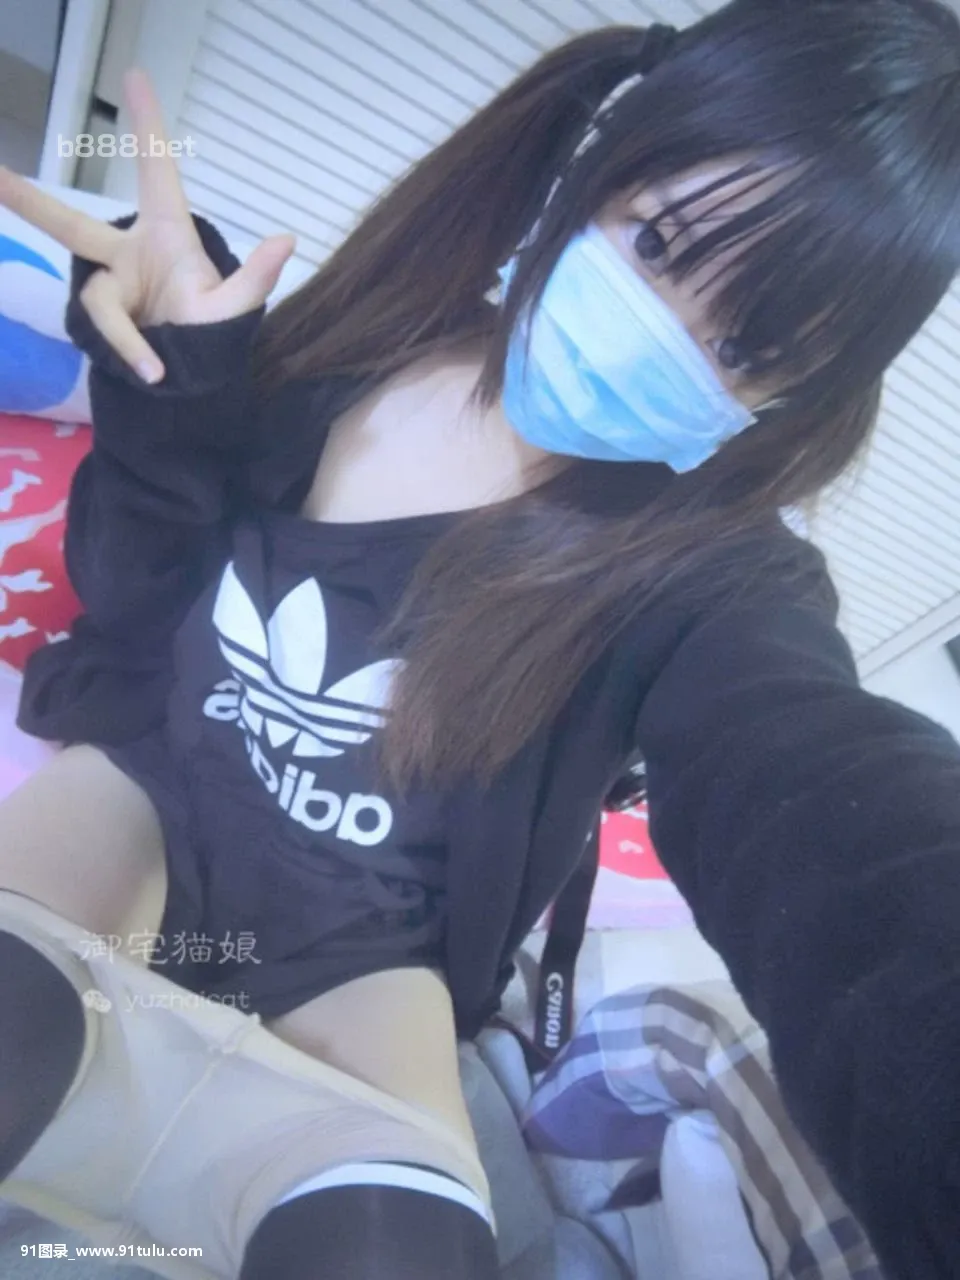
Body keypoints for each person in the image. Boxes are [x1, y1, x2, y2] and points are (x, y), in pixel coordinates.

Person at [0, 0, 959, 1275]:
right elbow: (131, 597)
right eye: (659, 243)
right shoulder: (354, 342)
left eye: (743, 346)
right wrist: (174, 381)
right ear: (596, 163)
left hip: (361, 955)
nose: (667, 333)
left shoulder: (715, 579)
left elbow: (823, 796)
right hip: (141, 793)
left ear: (793, 397)